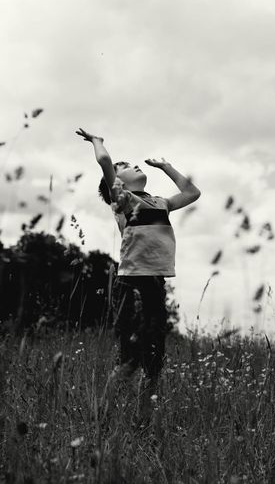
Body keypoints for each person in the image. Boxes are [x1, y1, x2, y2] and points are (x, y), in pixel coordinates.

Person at [76, 128, 201, 394]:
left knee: (154, 356)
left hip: (155, 282)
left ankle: (143, 416)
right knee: (130, 355)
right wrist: (97, 142)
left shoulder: (160, 202)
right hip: (131, 282)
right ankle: (108, 411)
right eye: (126, 167)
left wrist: (166, 167)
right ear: (116, 184)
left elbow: (191, 193)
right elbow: (104, 163)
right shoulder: (123, 201)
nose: (133, 166)